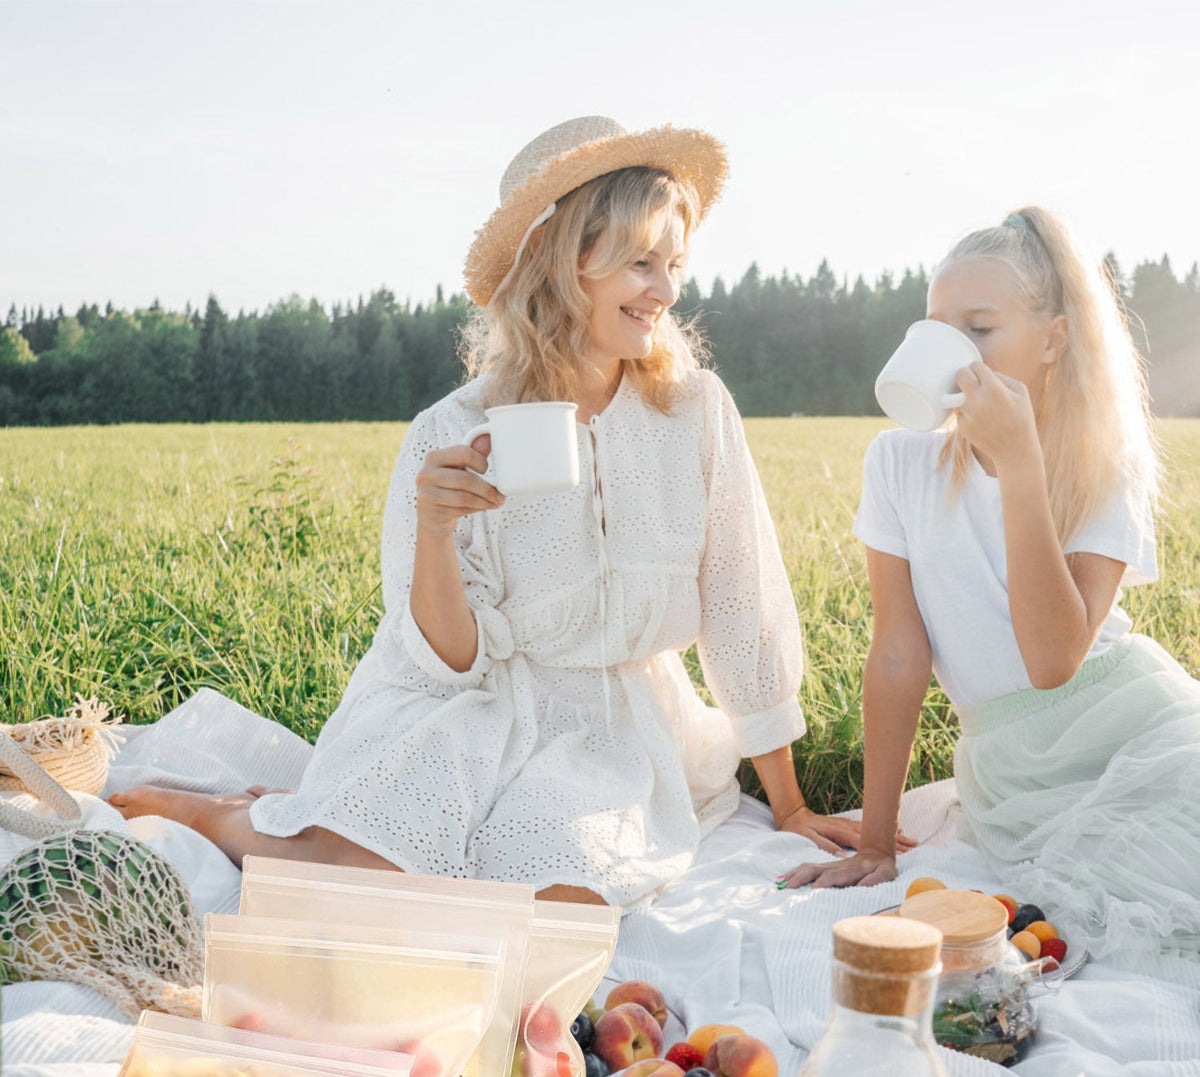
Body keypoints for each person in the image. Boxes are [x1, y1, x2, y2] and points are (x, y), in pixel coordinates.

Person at [110, 116, 898, 908]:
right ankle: (220, 814)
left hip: (610, 727)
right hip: (465, 707)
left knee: (557, 903)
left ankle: (296, 819)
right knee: (352, 879)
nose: (666, 290)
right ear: (562, 267)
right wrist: (436, 530)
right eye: (639, 263)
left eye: (674, 263)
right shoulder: (450, 430)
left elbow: (742, 603)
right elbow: (448, 659)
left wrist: (789, 804)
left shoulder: (693, 412)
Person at [781, 206, 1200, 962]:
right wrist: (877, 841)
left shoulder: (1104, 467)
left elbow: (1052, 662)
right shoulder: (899, 463)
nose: (954, 352)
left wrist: (1021, 469)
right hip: (1012, 770)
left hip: (1125, 729)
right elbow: (899, 655)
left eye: (979, 329)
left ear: (1052, 341)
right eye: (938, 329)